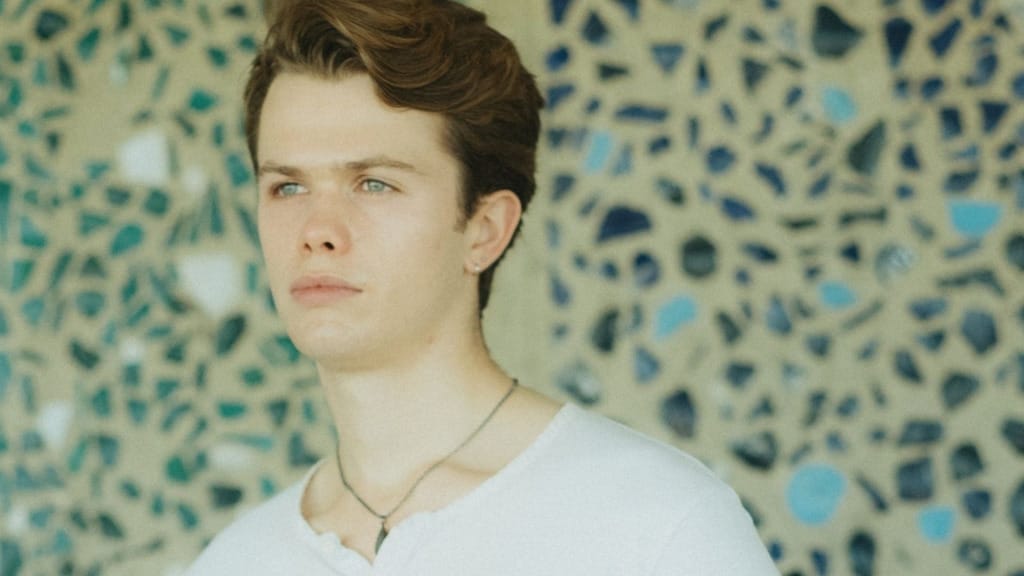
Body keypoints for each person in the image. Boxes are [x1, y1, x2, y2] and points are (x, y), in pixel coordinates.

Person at [187, 0, 779, 573]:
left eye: (373, 184)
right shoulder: (235, 562)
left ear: (484, 230)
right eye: (287, 188)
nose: (317, 231)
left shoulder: (658, 527)